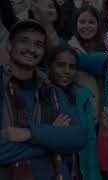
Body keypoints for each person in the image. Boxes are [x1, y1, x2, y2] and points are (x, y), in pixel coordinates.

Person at [0, 20, 87, 180]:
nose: (32, 49)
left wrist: (30, 133)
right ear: (10, 46)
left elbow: (78, 137)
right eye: (24, 41)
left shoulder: (53, 92)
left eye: (38, 44)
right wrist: (52, 137)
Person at [48, 46, 102, 180]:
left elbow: (90, 142)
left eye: (71, 67)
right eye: (61, 65)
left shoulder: (83, 97)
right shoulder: (41, 95)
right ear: (50, 66)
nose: (67, 71)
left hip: (79, 170)